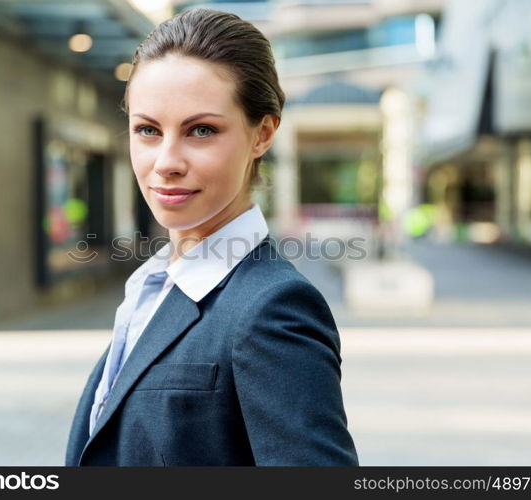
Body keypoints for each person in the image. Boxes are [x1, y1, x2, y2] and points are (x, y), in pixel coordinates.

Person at [65, 8, 358, 466]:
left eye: (201, 130)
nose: (166, 161)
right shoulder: (151, 286)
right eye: (147, 130)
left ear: (262, 134)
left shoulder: (272, 308)